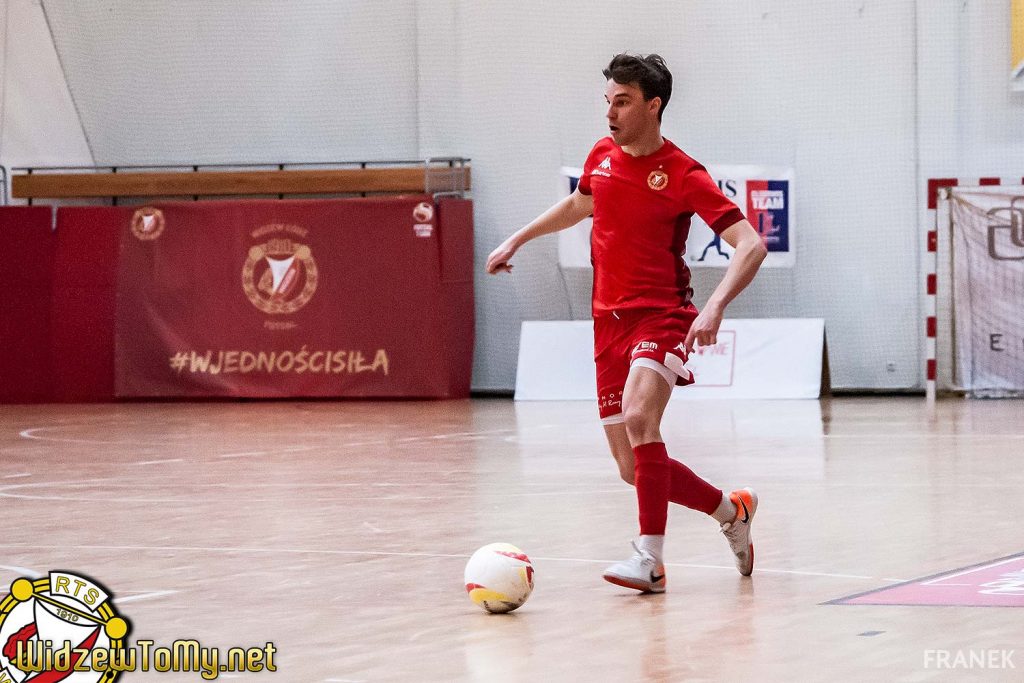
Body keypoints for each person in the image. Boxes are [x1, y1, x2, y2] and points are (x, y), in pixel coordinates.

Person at [486, 53, 767, 593]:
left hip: (661, 316)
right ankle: (731, 512)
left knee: (641, 417)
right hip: (606, 322)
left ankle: (650, 560)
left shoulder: (684, 173)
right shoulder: (602, 155)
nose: (610, 113)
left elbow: (750, 244)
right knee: (630, 467)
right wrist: (518, 239)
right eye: (608, 102)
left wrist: (714, 306)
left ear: (653, 106)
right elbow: (579, 205)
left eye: (623, 102)